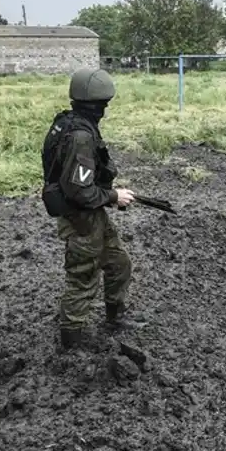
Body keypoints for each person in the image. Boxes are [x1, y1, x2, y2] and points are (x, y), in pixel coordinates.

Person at [40, 67, 146, 350]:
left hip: (90, 214)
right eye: (104, 105)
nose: (105, 110)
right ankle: (72, 340)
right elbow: (79, 190)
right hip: (80, 217)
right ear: (97, 103)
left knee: (119, 263)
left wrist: (108, 192)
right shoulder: (80, 137)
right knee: (83, 276)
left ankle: (115, 317)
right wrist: (113, 196)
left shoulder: (68, 123)